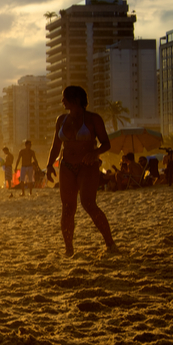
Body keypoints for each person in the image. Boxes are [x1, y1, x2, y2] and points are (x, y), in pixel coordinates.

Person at [45, 86, 119, 256]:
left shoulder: (93, 119)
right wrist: (49, 165)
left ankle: (110, 244)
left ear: (76, 100)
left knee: (89, 204)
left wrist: (95, 152)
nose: (62, 101)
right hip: (67, 166)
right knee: (68, 208)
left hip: (88, 166)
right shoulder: (61, 120)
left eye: (65, 98)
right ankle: (69, 249)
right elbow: (56, 146)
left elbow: (106, 143)